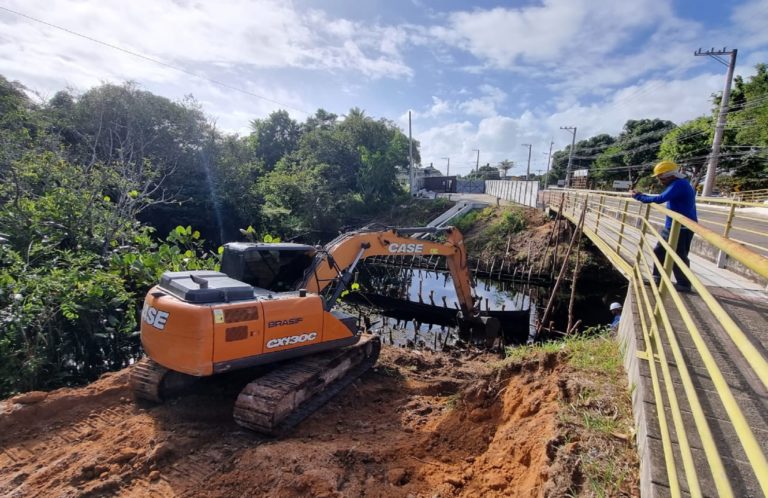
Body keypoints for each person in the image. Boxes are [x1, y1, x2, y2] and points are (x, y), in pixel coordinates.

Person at [629, 160, 697, 292]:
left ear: (669, 175)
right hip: (673, 226)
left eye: (661, 177)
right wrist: (642, 195)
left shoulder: (679, 184)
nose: (660, 180)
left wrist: (638, 197)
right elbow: (662, 196)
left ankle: (684, 284)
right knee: (660, 251)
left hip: (681, 228)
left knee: (679, 256)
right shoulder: (678, 183)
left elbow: (660, 199)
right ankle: (657, 278)